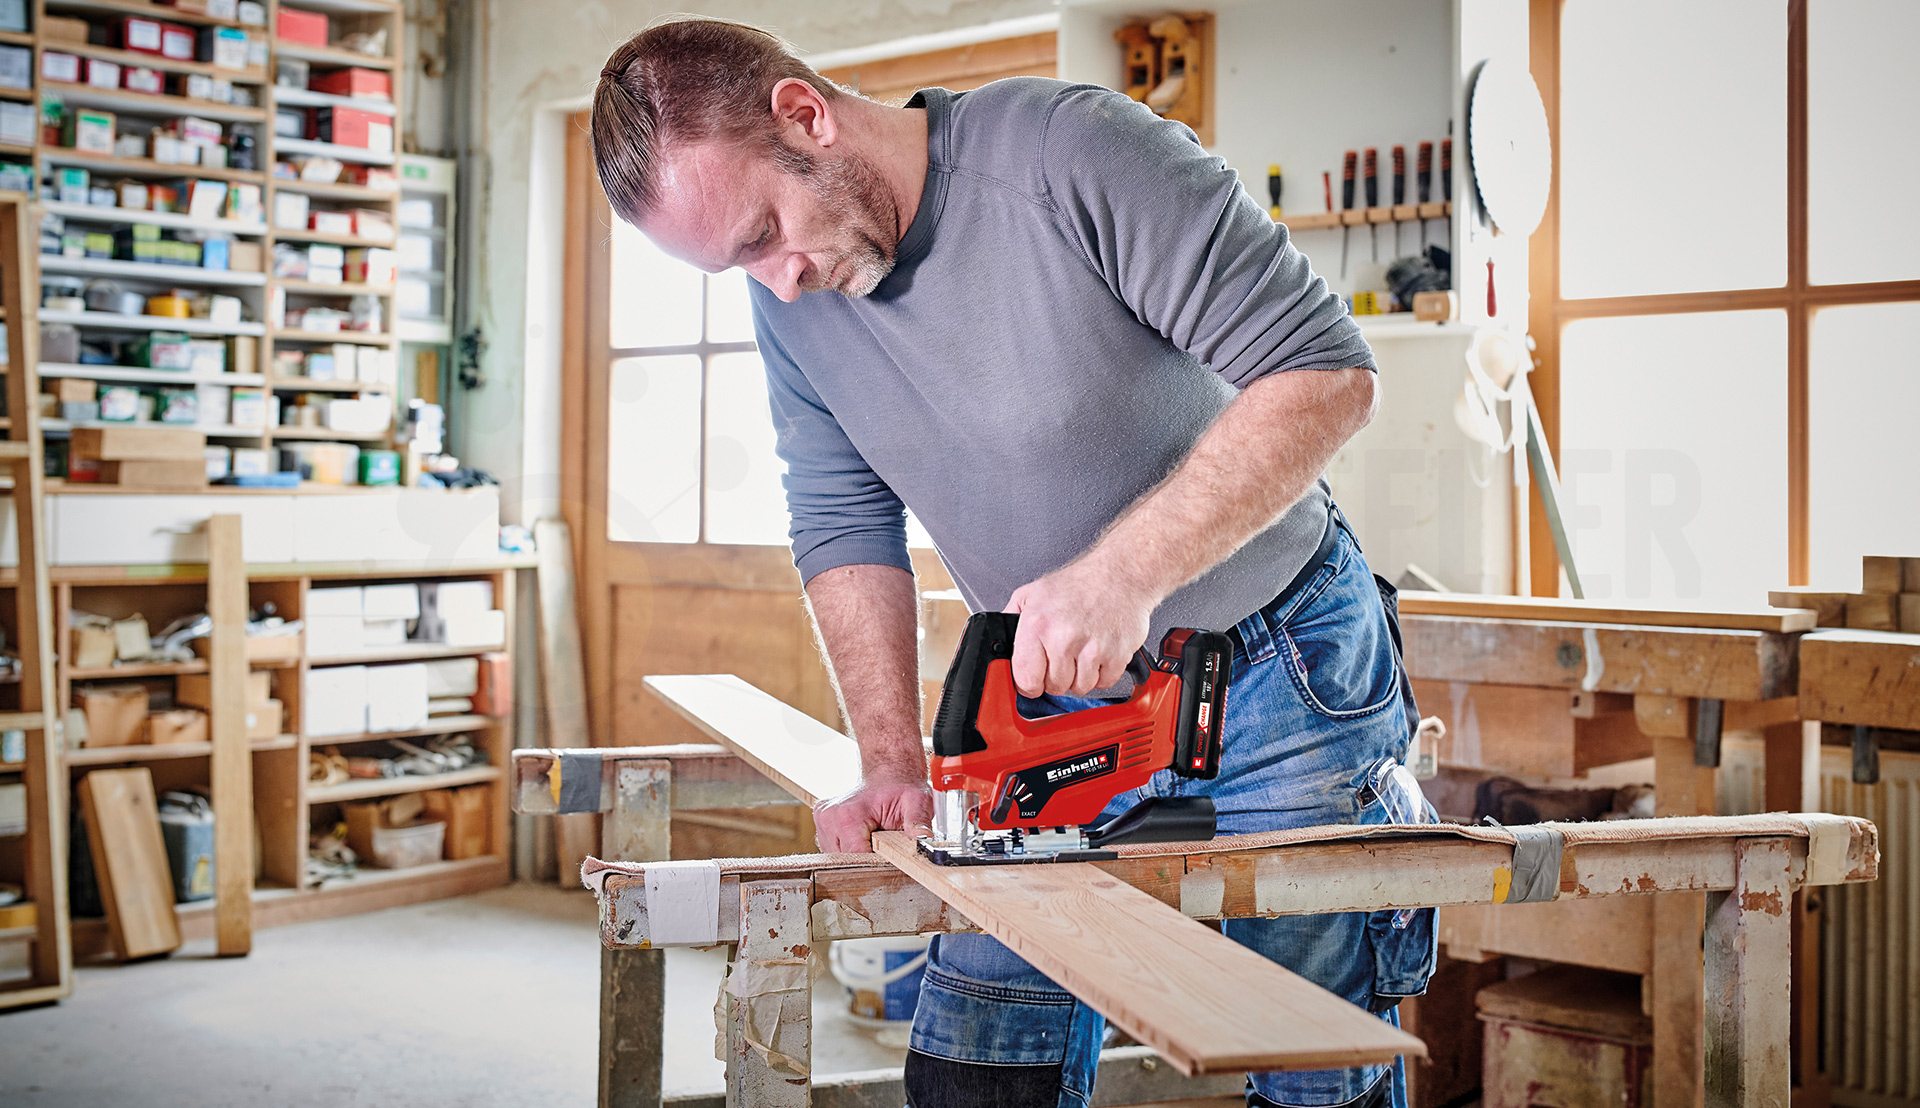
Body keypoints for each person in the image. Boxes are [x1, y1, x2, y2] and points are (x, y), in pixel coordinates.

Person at [591, 17, 1436, 1108]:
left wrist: (1122, 575)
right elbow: (845, 521)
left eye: (763, 232)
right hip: (1044, 705)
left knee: (1313, 1069)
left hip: (1278, 674)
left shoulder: (1069, 155)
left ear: (805, 115)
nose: (779, 281)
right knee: (978, 1069)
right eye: (740, 264)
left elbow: (1327, 373)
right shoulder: (789, 296)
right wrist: (892, 759)